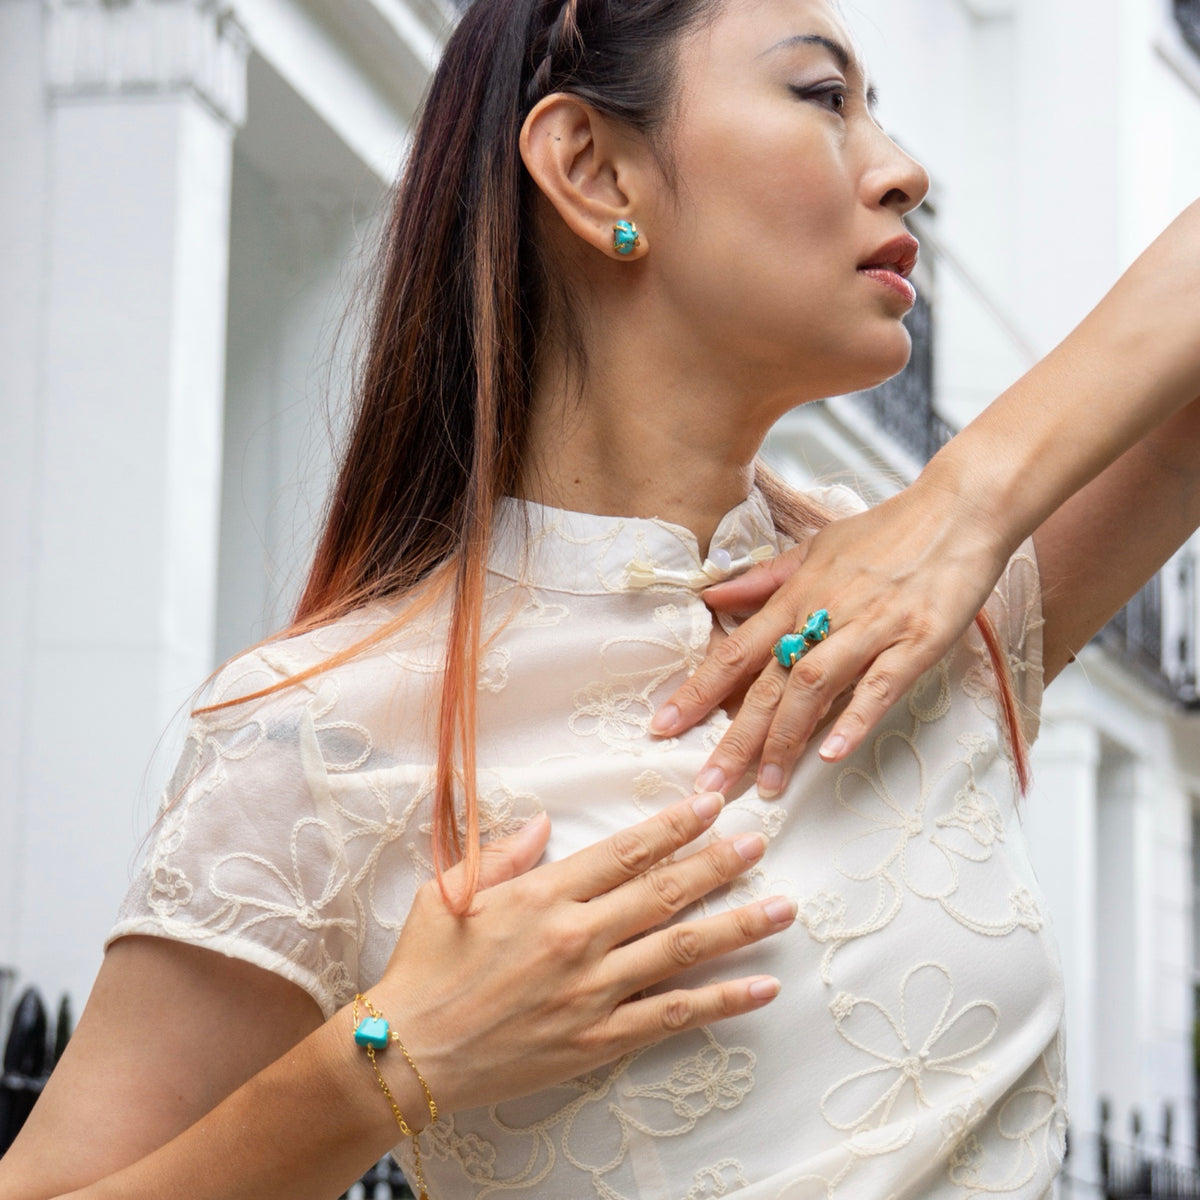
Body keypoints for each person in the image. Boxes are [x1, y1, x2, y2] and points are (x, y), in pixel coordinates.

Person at [3, 0, 1198, 1195]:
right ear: (592, 168)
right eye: (823, 96)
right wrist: (390, 1063)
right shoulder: (317, 728)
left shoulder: (928, 603)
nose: (903, 171)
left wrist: (966, 503)